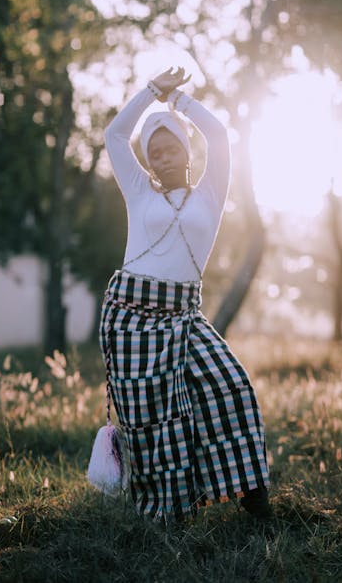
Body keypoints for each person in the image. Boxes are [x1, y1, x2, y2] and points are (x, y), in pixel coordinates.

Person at [100, 65, 270, 523]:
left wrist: (177, 102)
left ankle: (253, 494)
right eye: (153, 152)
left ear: (187, 151)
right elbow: (115, 138)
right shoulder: (139, 193)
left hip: (183, 316)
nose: (161, 157)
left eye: (170, 146)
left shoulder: (210, 195)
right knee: (153, 422)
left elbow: (219, 136)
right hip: (132, 318)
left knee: (229, 385)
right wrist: (149, 94)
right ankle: (170, 511)